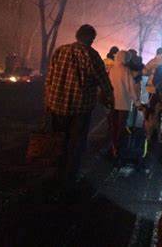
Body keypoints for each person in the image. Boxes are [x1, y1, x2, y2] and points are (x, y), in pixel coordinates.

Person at [45, 24, 114, 201]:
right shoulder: (91, 55)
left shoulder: (60, 51)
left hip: (57, 106)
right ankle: (68, 183)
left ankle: (55, 177)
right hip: (80, 108)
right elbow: (103, 81)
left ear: (77, 36)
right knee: (75, 145)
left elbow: (50, 78)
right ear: (91, 39)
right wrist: (110, 98)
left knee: (60, 141)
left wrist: (48, 101)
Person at [108, 50, 142, 158]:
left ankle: (113, 145)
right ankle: (117, 148)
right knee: (121, 126)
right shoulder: (126, 70)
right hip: (124, 103)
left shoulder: (111, 69)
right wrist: (137, 102)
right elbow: (131, 88)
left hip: (112, 102)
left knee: (113, 126)